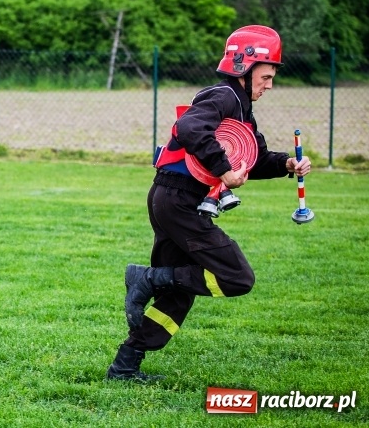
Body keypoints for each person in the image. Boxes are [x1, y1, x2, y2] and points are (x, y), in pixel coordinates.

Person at [106, 25, 312, 381]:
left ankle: (124, 366)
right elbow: (189, 128)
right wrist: (223, 169)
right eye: (265, 77)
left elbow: (254, 158)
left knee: (178, 292)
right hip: (179, 201)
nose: (269, 85)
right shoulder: (222, 96)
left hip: (171, 199)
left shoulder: (242, 108)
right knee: (237, 277)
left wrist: (286, 165)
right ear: (243, 69)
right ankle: (148, 278)